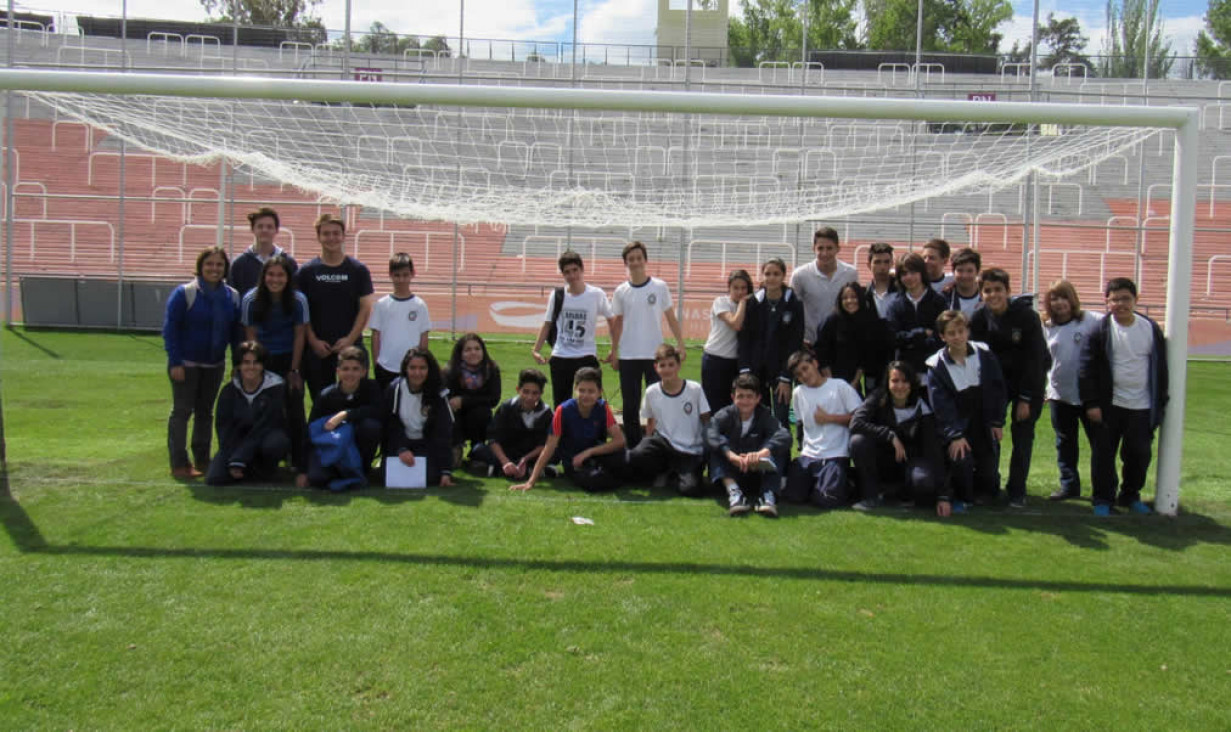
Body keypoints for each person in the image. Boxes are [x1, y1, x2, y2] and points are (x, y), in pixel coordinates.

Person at [1079, 277, 1168, 516]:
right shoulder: (1099, 331)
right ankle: (1103, 500)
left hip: (1141, 406)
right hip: (1109, 407)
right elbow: (1086, 370)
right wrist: (1092, 403)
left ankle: (1130, 496)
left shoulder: (1150, 328)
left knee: (1139, 453)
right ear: (1106, 302)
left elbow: (1161, 369)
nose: (1120, 304)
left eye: (1125, 298)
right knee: (1103, 456)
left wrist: (1160, 402)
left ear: (1136, 300)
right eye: (1115, 299)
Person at [969, 268, 1048, 508]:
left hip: (1027, 383)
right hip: (995, 386)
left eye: (998, 290)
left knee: (1022, 437)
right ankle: (989, 487)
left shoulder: (1026, 317)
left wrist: (1026, 397)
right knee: (989, 436)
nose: (993, 295)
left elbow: (1036, 360)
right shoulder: (979, 318)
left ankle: (1017, 491)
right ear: (981, 294)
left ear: (1008, 291)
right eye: (988, 290)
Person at [162, 245, 241, 479]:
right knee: (182, 412)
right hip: (185, 364)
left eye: (219, 264)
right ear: (200, 266)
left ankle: (203, 460)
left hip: (214, 365)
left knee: (206, 413)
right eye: (209, 264)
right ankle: (179, 462)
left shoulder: (232, 296)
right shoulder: (185, 293)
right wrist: (175, 362)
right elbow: (170, 330)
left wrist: (237, 361)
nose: (214, 268)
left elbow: (235, 333)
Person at [927, 310, 1008, 511]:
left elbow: (998, 388)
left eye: (961, 331)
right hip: (959, 422)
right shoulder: (937, 365)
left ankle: (987, 491)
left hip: (983, 419)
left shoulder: (984, 354)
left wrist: (997, 421)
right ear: (942, 336)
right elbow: (941, 405)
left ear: (967, 331)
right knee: (961, 458)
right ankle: (963, 494)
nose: (957, 337)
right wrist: (954, 435)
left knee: (989, 470)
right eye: (951, 333)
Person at [609, 241, 686, 448]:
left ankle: (660, 444)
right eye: (631, 259)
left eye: (638, 258)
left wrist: (681, 344)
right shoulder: (621, 291)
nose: (635, 262)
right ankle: (634, 448)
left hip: (655, 356)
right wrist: (613, 351)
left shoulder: (659, 287)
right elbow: (617, 324)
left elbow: (670, 317)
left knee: (658, 402)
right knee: (630, 405)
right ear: (626, 263)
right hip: (628, 356)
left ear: (645, 260)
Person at [296, 213, 375, 400]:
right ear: (318, 237)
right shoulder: (306, 272)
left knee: (354, 400)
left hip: (350, 348)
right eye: (326, 234)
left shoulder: (358, 270)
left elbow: (365, 308)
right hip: (318, 350)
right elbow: (301, 311)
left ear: (343, 236)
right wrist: (313, 341)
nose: (331, 238)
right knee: (321, 401)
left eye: (336, 233)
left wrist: (349, 340)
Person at [849, 361, 945, 512]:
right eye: (895, 381)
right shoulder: (877, 397)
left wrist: (943, 496)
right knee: (858, 441)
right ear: (887, 382)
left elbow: (933, 450)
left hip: (910, 461)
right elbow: (855, 423)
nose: (900, 386)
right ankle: (871, 496)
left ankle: (903, 495)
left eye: (905, 381)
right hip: (881, 459)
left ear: (912, 383)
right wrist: (889, 435)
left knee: (923, 482)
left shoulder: (922, 405)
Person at [511, 367, 627, 493]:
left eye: (591, 391)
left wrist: (589, 452)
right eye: (581, 390)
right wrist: (531, 482)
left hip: (596, 456)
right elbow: (549, 447)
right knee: (594, 481)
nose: (586, 395)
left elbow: (619, 440)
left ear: (599, 392)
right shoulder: (563, 410)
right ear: (575, 390)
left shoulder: (603, 407)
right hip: (574, 462)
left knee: (626, 459)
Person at [241, 255, 308, 469]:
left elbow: (300, 335)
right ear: (264, 276)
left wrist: (294, 369)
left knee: (294, 408)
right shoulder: (251, 299)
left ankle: (298, 459)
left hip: (290, 357)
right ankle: (259, 457)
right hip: (263, 359)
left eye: (281, 275)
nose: (275, 279)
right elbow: (251, 337)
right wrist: (256, 368)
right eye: (271, 274)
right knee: (265, 409)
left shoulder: (298, 300)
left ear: (288, 278)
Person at [1043, 280, 1104, 501]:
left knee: (1099, 443)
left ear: (1073, 299)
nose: (1059, 303)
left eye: (1063, 297)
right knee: (1065, 443)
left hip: (1090, 397)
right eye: (1054, 298)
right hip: (1060, 395)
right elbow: (1044, 361)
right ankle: (1069, 486)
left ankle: (1104, 488)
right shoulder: (1046, 327)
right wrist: (1046, 387)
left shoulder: (1091, 320)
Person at [532, 251, 616, 410]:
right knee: (562, 405)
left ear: (582, 269)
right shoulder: (557, 295)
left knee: (592, 402)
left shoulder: (596, 294)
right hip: (561, 355)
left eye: (575, 270)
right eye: (567, 272)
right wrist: (536, 349)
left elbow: (612, 320)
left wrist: (614, 349)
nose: (572, 275)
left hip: (586, 355)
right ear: (563, 274)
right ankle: (562, 435)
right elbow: (547, 323)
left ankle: (592, 434)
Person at [626, 344, 711, 496]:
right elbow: (650, 422)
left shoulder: (694, 389)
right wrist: (646, 445)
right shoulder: (651, 391)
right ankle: (662, 470)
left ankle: (678, 474)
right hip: (664, 444)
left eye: (671, 365)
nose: (667, 369)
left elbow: (706, 419)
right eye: (662, 365)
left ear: (678, 365)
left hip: (690, 450)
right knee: (636, 455)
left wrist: (706, 450)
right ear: (656, 367)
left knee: (690, 490)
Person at [783, 350, 864, 509]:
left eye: (805, 369)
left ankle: (848, 481)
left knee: (826, 500)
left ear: (815, 364)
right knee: (793, 497)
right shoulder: (798, 393)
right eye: (799, 375)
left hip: (834, 455)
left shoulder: (839, 386)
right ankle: (816, 482)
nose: (804, 376)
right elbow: (800, 424)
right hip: (809, 455)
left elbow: (860, 419)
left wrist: (830, 418)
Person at [705, 374, 792, 517]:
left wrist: (762, 453)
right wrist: (731, 455)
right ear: (733, 397)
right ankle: (735, 495)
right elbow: (709, 432)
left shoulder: (764, 415)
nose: (745, 401)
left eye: (749, 396)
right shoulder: (725, 414)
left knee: (778, 448)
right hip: (732, 471)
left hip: (756, 471)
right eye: (740, 396)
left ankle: (767, 497)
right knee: (715, 447)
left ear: (758, 398)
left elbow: (784, 435)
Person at [297, 346, 383, 489]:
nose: (350, 373)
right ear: (338, 371)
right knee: (317, 478)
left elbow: (379, 411)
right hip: (335, 446)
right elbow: (311, 431)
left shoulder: (372, 388)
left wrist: (346, 414)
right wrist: (303, 471)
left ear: (364, 371)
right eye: (346, 369)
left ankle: (362, 469)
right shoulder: (326, 396)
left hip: (358, 440)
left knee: (371, 427)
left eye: (355, 369)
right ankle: (340, 470)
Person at [206, 341, 291, 486]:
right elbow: (223, 427)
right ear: (239, 365)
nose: (251, 367)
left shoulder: (276, 388)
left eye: (256, 362)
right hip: (237, 440)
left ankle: (264, 469)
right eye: (246, 362)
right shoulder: (229, 391)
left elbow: (266, 425)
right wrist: (232, 455)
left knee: (275, 442)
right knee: (215, 479)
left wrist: (240, 457)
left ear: (263, 365)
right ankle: (248, 470)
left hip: (265, 437)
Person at [382, 347, 456, 487]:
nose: (417, 373)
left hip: (425, 444)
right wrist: (401, 448)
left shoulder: (438, 393)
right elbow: (389, 423)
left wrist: (446, 471)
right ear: (405, 369)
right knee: (386, 476)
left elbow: (443, 431)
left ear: (429, 369)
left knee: (431, 477)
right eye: (413, 368)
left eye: (422, 368)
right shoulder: (395, 389)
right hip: (402, 442)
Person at [744, 257, 804, 429]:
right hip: (757, 372)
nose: (771, 278)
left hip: (781, 373)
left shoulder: (794, 303)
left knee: (781, 420)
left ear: (784, 276)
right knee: (758, 420)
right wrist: (747, 370)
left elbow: (795, 342)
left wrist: (786, 376)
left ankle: (781, 456)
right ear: (762, 276)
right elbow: (746, 339)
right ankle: (760, 456)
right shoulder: (753, 302)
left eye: (776, 274)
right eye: (768, 274)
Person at [471, 368, 553, 480]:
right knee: (478, 450)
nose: (530, 397)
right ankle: (522, 469)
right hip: (507, 452)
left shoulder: (547, 413)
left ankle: (501, 469)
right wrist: (505, 462)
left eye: (535, 393)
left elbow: (544, 445)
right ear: (518, 390)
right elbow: (493, 439)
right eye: (526, 392)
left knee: (555, 454)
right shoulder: (507, 407)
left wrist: (525, 459)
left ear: (541, 393)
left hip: (531, 454)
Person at [815, 281, 892, 395]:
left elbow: (865, 356)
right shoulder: (831, 322)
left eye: (854, 297)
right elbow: (821, 353)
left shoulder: (867, 322)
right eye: (845, 298)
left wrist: (855, 382)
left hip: (854, 380)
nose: (849, 301)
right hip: (830, 379)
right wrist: (832, 383)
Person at [370, 253, 431, 389]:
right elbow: (376, 336)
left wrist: (420, 364)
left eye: (405, 275)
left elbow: (423, 337)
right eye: (397, 275)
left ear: (412, 274)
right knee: (387, 407)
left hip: (411, 368)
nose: (401, 279)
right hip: (386, 367)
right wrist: (376, 363)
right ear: (390, 275)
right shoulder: (382, 304)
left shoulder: (419, 305)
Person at [791, 226, 859, 347]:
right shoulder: (800, 275)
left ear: (838, 248)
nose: (825, 253)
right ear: (813, 249)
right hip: (809, 343)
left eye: (829, 248)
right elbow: (792, 309)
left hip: (841, 343)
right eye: (820, 248)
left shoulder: (850, 273)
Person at [701, 269, 754, 414]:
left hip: (735, 362)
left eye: (743, 288)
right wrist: (743, 302)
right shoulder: (721, 302)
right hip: (715, 359)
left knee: (732, 406)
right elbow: (735, 323)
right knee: (712, 404)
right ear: (729, 288)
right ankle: (710, 436)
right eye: (736, 288)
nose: (740, 292)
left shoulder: (751, 306)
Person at [444, 333, 501, 466]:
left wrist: (464, 400)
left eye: (477, 349)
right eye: (468, 350)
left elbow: (493, 399)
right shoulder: (450, 371)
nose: (473, 353)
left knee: (482, 412)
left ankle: (478, 451)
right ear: (460, 353)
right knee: (450, 413)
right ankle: (456, 447)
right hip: (456, 417)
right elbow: (448, 402)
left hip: (478, 416)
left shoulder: (491, 369)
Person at [887, 252, 946, 378]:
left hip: (933, 371)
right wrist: (922, 333)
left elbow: (941, 338)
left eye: (913, 272)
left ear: (922, 273)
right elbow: (893, 339)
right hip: (904, 375)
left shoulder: (938, 302)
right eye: (904, 273)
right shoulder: (895, 306)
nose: (909, 277)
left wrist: (909, 340)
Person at [228, 206, 297, 297]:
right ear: (252, 229)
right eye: (260, 226)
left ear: (276, 230)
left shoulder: (288, 263)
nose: (264, 230)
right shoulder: (239, 263)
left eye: (269, 227)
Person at [942, 247, 982, 315]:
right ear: (953, 272)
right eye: (960, 270)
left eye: (970, 271)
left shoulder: (986, 297)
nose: (964, 276)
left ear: (977, 272)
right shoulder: (945, 298)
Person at [864, 242, 897, 320]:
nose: (882, 267)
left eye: (886, 262)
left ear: (892, 263)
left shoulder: (902, 290)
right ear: (869, 265)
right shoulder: (865, 294)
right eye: (877, 262)